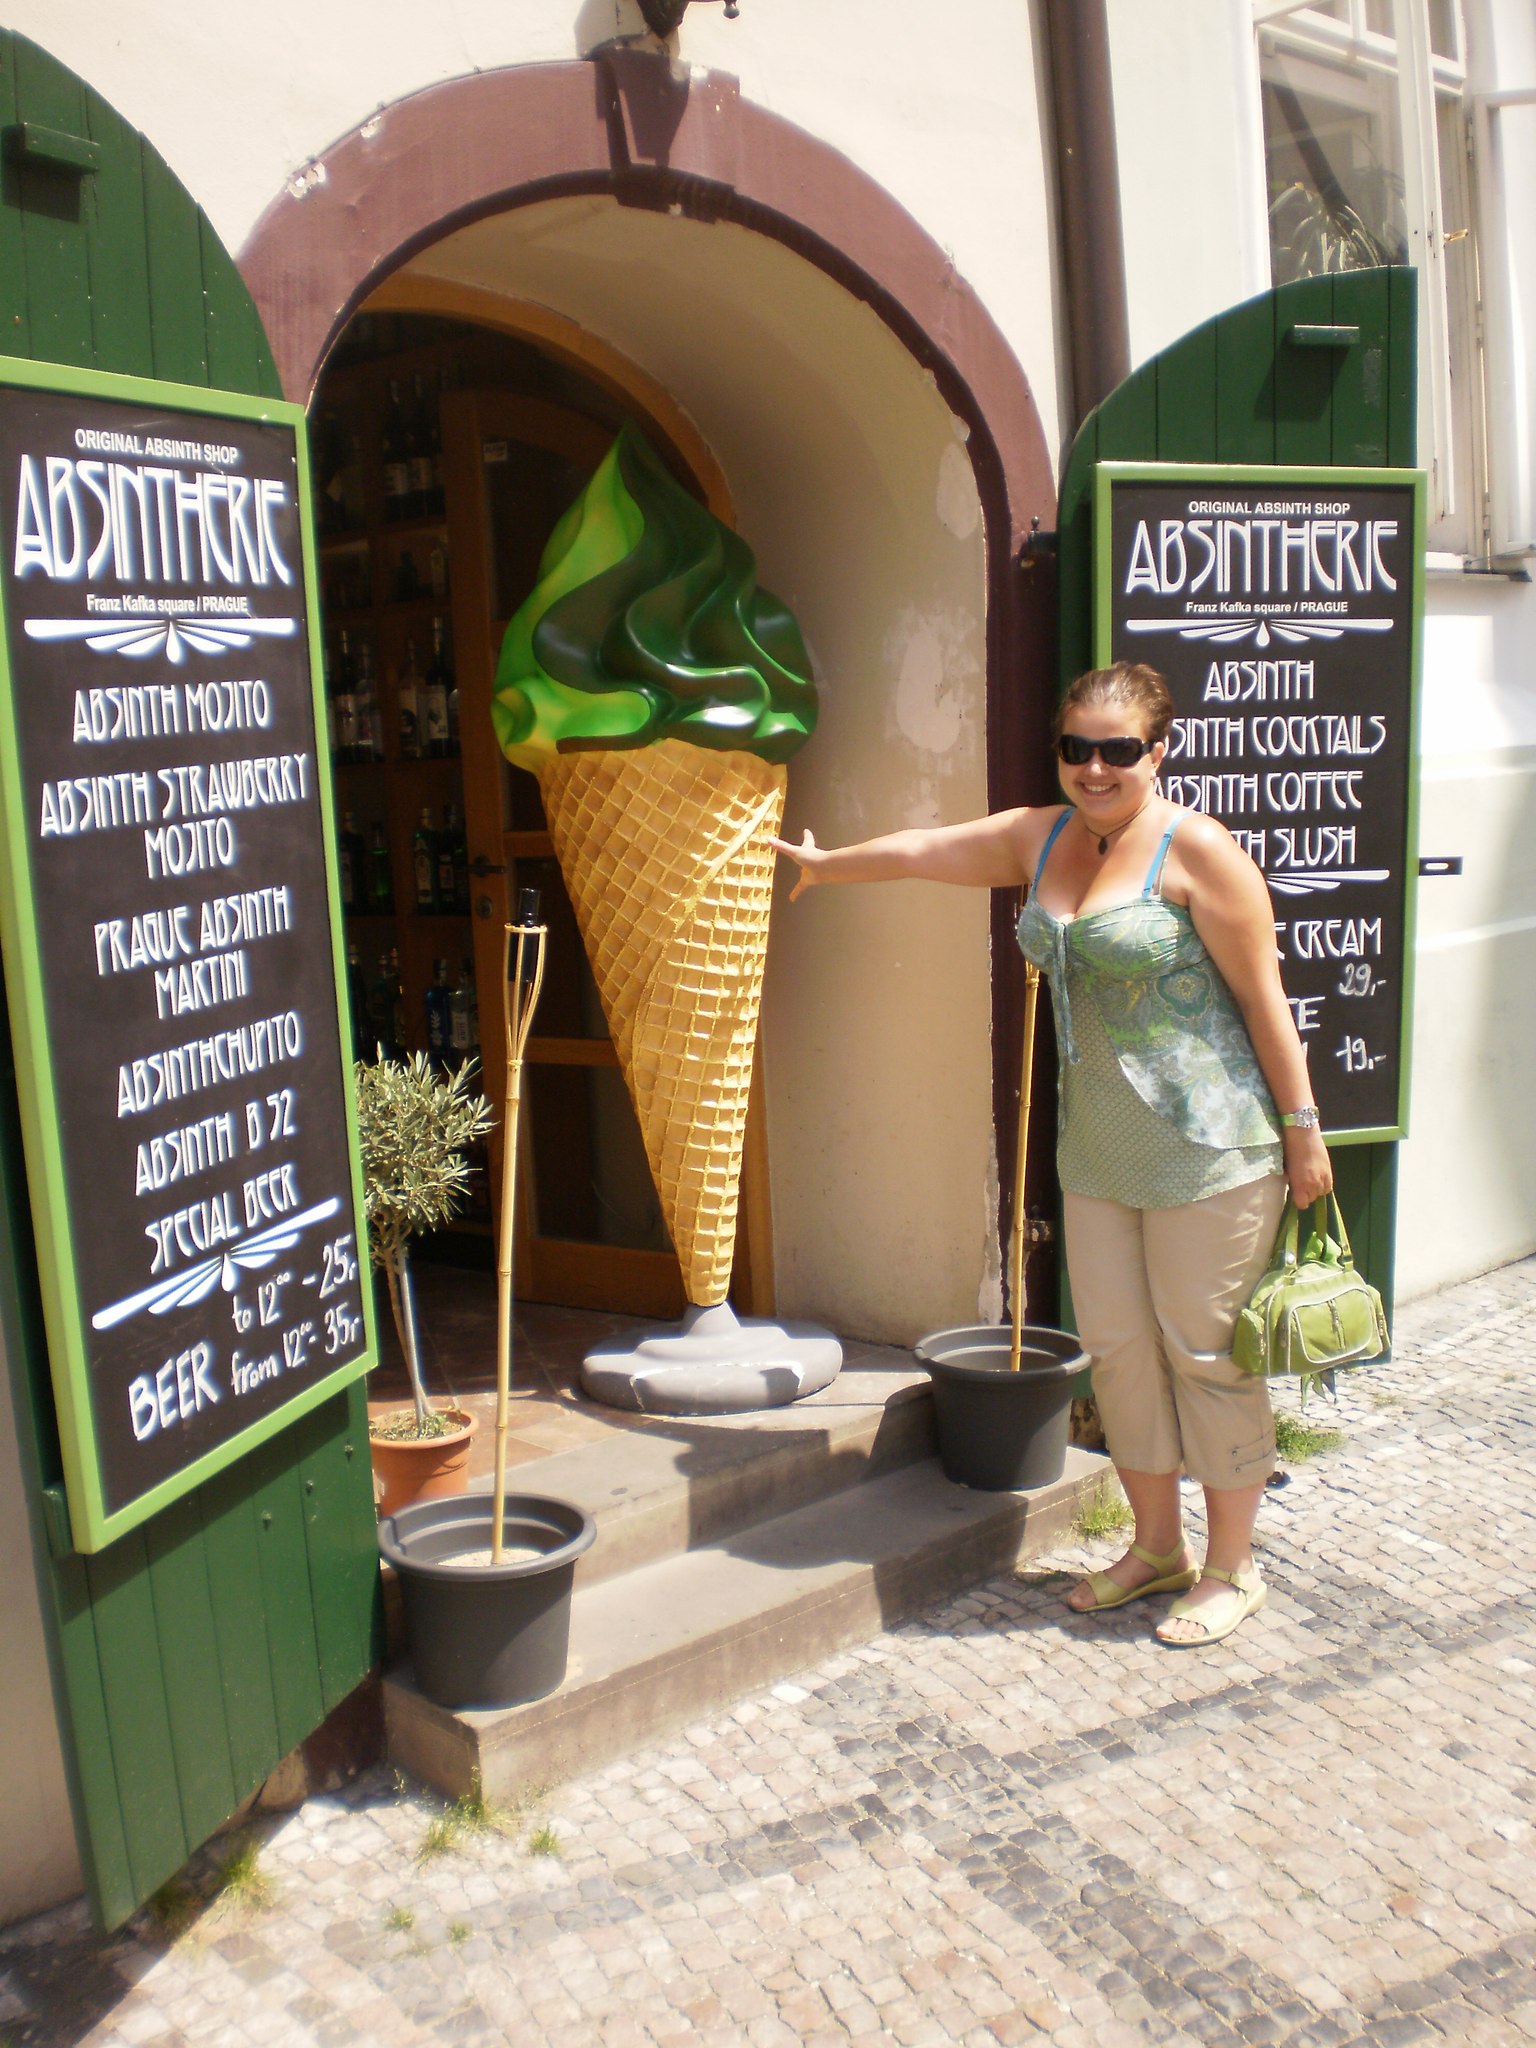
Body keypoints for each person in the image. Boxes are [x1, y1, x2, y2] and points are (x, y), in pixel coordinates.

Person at [769, 660, 1332, 1648]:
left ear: (1160, 751)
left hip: (1211, 1145)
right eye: (1077, 747)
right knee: (1117, 1353)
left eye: (1119, 749)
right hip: (1098, 1148)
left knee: (1205, 1355)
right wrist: (829, 863)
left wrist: (1303, 1130)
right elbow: (932, 849)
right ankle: (1156, 1545)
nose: (1095, 767)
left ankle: (1232, 1566)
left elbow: (1265, 1002)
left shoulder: (1200, 851)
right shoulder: (1044, 835)